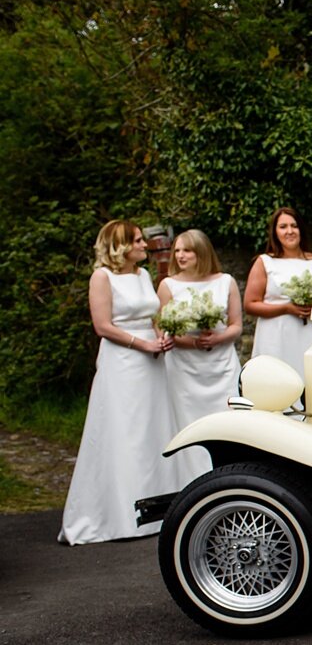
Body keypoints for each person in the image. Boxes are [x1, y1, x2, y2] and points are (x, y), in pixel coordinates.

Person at [59, 220, 194, 545]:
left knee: (152, 428)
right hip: (122, 362)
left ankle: (157, 509)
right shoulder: (101, 277)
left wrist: (160, 334)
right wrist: (142, 343)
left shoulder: (143, 275)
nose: (144, 246)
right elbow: (103, 326)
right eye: (137, 241)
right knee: (124, 431)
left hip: (152, 362)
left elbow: (152, 315)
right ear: (120, 245)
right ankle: (119, 515)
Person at [157, 229, 243, 475]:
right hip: (184, 368)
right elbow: (166, 329)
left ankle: (229, 475)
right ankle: (190, 478)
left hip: (221, 364)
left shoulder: (225, 281)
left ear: (202, 252)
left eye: (187, 250)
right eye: (177, 251)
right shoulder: (168, 285)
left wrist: (217, 337)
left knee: (228, 421)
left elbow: (236, 326)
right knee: (187, 425)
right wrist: (193, 343)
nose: (180, 256)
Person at [245, 206, 312, 381]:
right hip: (275, 336)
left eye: (294, 226)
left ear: (301, 229)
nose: (289, 231)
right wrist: (287, 308)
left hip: (310, 334)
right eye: (283, 227)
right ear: (275, 232)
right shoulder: (265, 262)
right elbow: (250, 304)